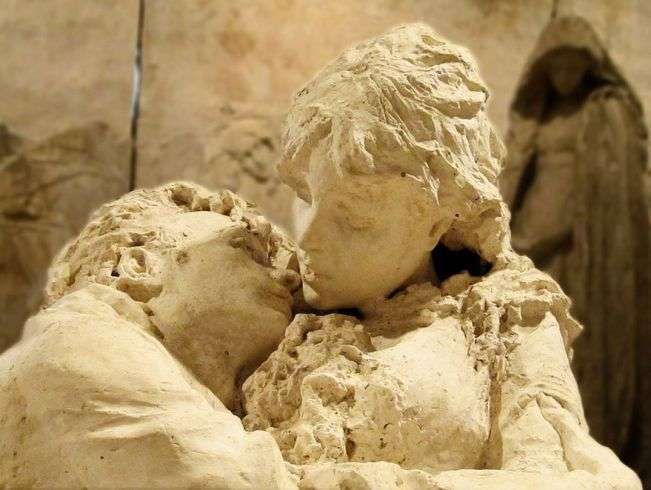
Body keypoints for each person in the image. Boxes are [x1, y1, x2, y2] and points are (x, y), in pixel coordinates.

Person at [243, 23, 641, 489]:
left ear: (436, 221)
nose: (308, 238)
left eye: (354, 215)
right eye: (305, 196)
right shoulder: (266, 300)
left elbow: (580, 480)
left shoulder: (507, 322)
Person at [0, 182, 300, 488]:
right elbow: (226, 481)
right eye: (248, 251)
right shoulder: (81, 341)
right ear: (140, 266)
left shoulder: (193, 393)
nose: (289, 278)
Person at [501, 16, 650, 474]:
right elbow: (519, 175)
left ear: (589, 66)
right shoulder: (538, 113)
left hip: (584, 251)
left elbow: (606, 190)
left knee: (582, 349)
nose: (564, 75)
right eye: (556, 66)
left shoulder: (605, 112)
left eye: (573, 65)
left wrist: (539, 235)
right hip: (535, 247)